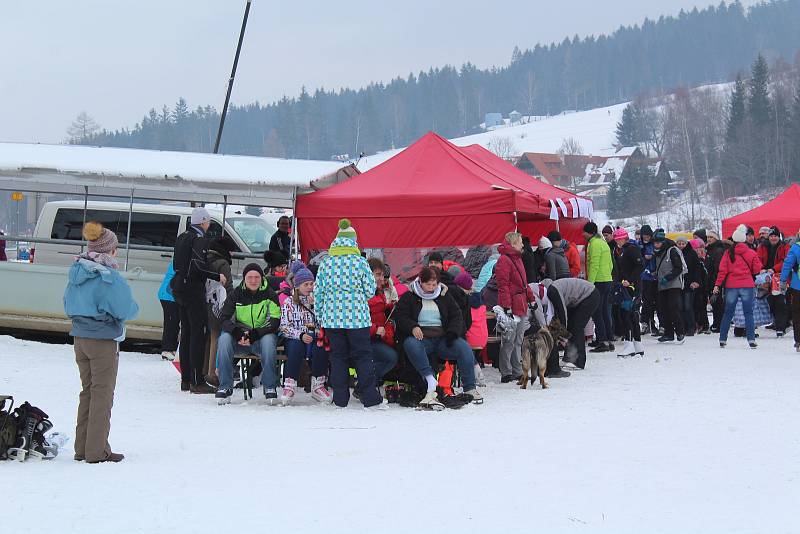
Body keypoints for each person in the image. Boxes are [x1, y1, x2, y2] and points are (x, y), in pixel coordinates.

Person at [64, 221, 139, 463]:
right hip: (102, 340)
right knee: (102, 394)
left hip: (80, 338)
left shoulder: (77, 271)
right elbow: (125, 308)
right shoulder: (107, 276)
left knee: (88, 392)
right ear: (111, 250)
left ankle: (82, 447)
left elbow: (67, 303)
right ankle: (97, 451)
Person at [314, 219, 384, 409]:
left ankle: (340, 399)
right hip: (357, 319)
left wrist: (321, 315)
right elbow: (370, 291)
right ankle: (370, 398)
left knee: (338, 357)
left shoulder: (326, 263)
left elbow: (318, 292)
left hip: (332, 319)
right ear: (353, 241)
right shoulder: (360, 262)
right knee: (363, 356)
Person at [394, 267, 482, 409]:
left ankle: (470, 387)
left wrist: (453, 332)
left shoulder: (444, 295)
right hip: (421, 339)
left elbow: (456, 315)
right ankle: (429, 379)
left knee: (464, 347)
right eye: (428, 284)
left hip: (442, 339)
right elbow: (400, 315)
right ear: (420, 282)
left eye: (434, 285)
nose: (431, 288)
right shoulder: (410, 296)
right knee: (411, 344)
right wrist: (413, 326)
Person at [172, 207, 226, 393]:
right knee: (198, 333)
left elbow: (177, 264)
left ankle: (185, 379)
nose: (208, 224)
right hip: (193, 289)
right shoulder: (199, 239)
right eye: (208, 221)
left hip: (179, 287)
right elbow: (197, 265)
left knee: (186, 333)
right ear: (203, 222)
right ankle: (197, 381)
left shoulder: (182, 237)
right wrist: (216, 275)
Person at [214, 263, 281, 404]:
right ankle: (225, 387)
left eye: (257, 277)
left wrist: (255, 334)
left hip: (260, 339)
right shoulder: (235, 295)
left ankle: (270, 387)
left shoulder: (270, 294)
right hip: (240, 340)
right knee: (224, 339)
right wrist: (237, 333)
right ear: (244, 278)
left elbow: (275, 322)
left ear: (262, 278)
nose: (253, 280)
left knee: (269, 341)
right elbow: (224, 319)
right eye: (249, 277)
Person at [278, 264, 332, 405]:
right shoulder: (289, 302)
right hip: (296, 337)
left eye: (311, 284)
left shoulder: (317, 301)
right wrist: (300, 335)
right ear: (297, 286)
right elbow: (284, 326)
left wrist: (315, 307)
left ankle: (318, 385)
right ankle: (289, 385)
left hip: (313, 336)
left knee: (322, 345)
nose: (310, 287)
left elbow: (324, 323)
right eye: (306, 284)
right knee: (296, 347)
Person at [495, 231, 535, 382]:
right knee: (509, 340)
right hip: (513, 303)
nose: (522, 244)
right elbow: (503, 284)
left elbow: (524, 284)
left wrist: (531, 298)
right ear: (513, 243)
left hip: (521, 302)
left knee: (517, 339)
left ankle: (516, 369)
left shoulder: (517, 258)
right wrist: (506, 306)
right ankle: (506, 371)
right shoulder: (505, 260)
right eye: (520, 242)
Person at [714, 224, 763, 348]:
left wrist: (717, 285)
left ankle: (722, 339)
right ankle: (751, 339)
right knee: (748, 313)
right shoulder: (751, 252)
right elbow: (757, 269)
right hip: (747, 285)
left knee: (728, 313)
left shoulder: (728, 253)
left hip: (731, 286)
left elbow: (722, 271)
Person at [542, 277, 601, 370]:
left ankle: (578, 362)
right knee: (572, 325)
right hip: (583, 297)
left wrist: (562, 334)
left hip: (590, 295)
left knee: (576, 326)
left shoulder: (552, 291)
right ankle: (569, 358)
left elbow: (562, 312)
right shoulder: (552, 289)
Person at [205, 236, 236, 386]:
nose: (232, 254)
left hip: (204, 302)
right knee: (216, 337)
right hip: (218, 304)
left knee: (207, 338)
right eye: (230, 251)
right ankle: (212, 374)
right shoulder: (222, 263)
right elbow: (227, 286)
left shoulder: (205, 258)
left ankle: (202, 371)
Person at [612, 228, 645, 357]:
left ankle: (629, 344)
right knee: (630, 315)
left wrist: (630, 280)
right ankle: (637, 345)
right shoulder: (621, 251)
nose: (616, 242)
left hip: (632, 288)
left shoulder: (631, 249)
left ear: (623, 238)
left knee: (627, 315)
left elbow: (640, 265)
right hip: (625, 288)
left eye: (617, 239)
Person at [367, 258, 400, 383]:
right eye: (378, 275)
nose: (382, 278)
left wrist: (391, 306)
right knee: (390, 357)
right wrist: (374, 329)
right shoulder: (362, 294)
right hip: (367, 339)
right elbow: (357, 321)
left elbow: (377, 310)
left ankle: (368, 383)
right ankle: (365, 385)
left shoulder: (377, 291)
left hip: (376, 336)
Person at [583, 222, 615, 352]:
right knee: (604, 312)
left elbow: (594, 265)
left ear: (588, 232)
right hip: (607, 279)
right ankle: (608, 339)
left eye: (583, 232)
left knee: (597, 312)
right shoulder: (603, 243)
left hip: (598, 281)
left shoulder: (594, 244)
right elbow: (610, 263)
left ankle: (602, 341)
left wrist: (590, 283)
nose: (582, 234)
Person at [653, 230, 686, 344]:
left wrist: (668, 277)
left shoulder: (671, 251)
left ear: (663, 242)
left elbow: (679, 268)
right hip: (662, 285)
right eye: (655, 243)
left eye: (658, 243)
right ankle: (668, 333)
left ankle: (680, 332)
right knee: (663, 309)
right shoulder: (657, 252)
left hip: (673, 284)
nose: (656, 245)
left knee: (673, 308)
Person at [456, 271, 489, 386]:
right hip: (483, 337)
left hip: (472, 338)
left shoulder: (464, 301)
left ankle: (475, 370)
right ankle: (476, 369)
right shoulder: (479, 299)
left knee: (457, 341)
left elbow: (463, 324)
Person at [757, 227, 789, 337]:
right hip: (766, 278)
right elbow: (758, 259)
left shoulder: (784, 246)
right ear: (768, 237)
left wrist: (774, 269)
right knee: (770, 301)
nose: (773, 238)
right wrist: (761, 268)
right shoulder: (762, 246)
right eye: (771, 236)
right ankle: (776, 323)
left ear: (778, 236)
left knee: (780, 301)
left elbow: (786, 261)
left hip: (780, 277)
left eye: (775, 236)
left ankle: (781, 327)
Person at [676, 236, 703, 336]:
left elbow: (697, 269)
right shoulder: (675, 253)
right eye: (679, 244)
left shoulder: (692, 253)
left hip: (689, 283)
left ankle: (691, 327)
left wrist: (696, 281)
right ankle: (683, 327)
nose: (681, 246)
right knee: (680, 307)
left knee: (688, 306)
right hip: (678, 283)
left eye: (683, 244)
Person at [779, 228, 800, 352]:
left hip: (797, 287)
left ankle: (798, 341)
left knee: (797, 314)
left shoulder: (795, 248)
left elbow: (787, 264)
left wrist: (782, 281)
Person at [638, 225, 659, 334]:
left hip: (655, 276)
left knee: (655, 301)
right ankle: (646, 322)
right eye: (644, 236)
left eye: (647, 236)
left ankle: (653, 323)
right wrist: (644, 258)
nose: (646, 238)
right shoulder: (640, 245)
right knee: (647, 301)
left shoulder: (654, 244)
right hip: (645, 277)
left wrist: (653, 256)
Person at [705, 231, 728, 332]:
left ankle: (718, 324)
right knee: (715, 303)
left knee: (718, 303)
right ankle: (717, 323)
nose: (709, 239)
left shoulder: (718, 250)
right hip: (711, 280)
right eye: (708, 237)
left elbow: (718, 268)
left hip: (716, 281)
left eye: (711, 237)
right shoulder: (710, 250)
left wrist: (716, 283)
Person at [157, 261, 179, 362]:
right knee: (171, 323)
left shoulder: (179, 257)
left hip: (171, 295)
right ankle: (167, 350)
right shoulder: (178, 260)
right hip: (168, 295)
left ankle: (172, 348)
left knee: (174, 323)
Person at [690, 238, 711, 334]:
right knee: (697, 306)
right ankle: (700, 324)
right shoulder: (696, 260)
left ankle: (703, 325)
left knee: (701, 307)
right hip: (697, 286)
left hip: (702, 287)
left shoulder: (702, 260)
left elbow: (705, 274)